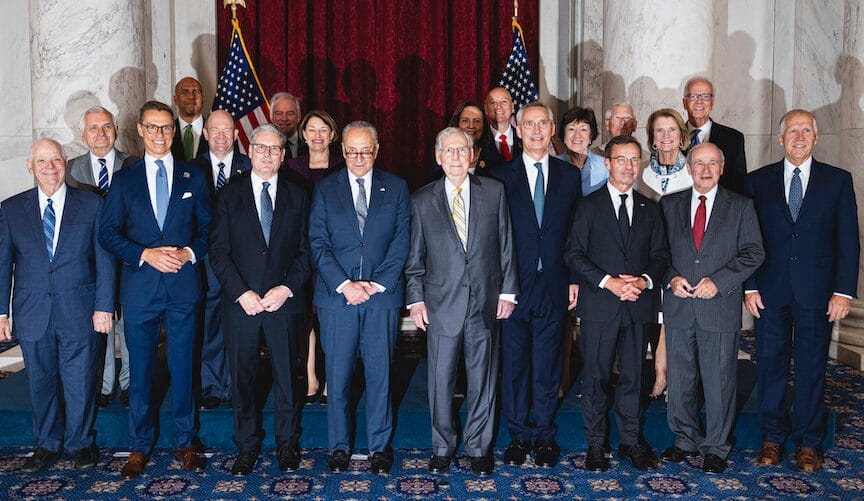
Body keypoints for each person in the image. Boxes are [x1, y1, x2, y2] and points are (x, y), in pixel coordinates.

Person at [99, 100, 211, 479]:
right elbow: (108, 233)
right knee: (142, 370)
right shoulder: (124, 179)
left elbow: (208, 231)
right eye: (153, 127)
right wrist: (144, 253)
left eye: (166, 128)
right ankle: (138, 446)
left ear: (173, 131)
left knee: (183, 367)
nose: (160, 135)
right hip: (140, 289)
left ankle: (185, 441)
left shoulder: (193, 176)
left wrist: (187, 252)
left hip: (183, 288)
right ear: (140, 130)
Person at [745, 109, 860, 472]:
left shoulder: (837, 180)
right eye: (792, 131)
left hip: (818, 294)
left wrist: (843, 291)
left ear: (816, 138)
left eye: (806, 130)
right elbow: (747, 239)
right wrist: (748, 285)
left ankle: (810, 443)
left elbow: (848, 241)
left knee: (812, 369)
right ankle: (772, 439)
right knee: (770, 368)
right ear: (780, 139)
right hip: (769, 292)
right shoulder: (757, 181)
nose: (799, 137)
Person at [406, 127, 518, 476]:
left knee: (483, 378)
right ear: (438, 157)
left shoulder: (494, 192)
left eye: (462, 150)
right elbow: (415, 259)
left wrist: (508, 292)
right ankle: (442, 446)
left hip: (485, 301)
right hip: (441, 304)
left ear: (472, 156)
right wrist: (416, 301)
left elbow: (505, 246)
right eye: (448, 151)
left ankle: (479, 448)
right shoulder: (421, 200)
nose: (456, 157)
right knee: (440, 380)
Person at [1, 138, 115, 472]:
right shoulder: (11, 208)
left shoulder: (92, 204)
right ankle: (47, 444)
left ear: (65, 161)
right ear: (30, 166)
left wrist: (104, 306)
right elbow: (2, 263)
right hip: (32, 311)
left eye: (55, 160)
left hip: (79, 309)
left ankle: (80, 443)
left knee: (80, 379)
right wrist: (2, 312)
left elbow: (105, 261)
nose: (50, 168)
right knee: (41, 380)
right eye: (42, 162)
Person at [209, 124, 312, 476]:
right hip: (243, 305)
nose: (267, 154)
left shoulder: (299, 194)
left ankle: (287, 445)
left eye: (274, 149)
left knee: (288, 377)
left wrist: (286, 289)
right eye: (261, 147)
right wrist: (241, 293)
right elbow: (218, 253)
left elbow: (306, 251)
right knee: (243, 379)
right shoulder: (227, 195)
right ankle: (247, 447)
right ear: (249, 150)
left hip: (285, 303)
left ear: (283, 156)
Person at [309, 121, 410, 474]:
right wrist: (346, 285)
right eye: (351, 151)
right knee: (337, 377)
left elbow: (401, 244)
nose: (358, 157)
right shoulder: (325, 189)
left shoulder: (396, 188)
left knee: (381, 375)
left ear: (376, 150)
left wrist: (376, 284)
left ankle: (379, 448)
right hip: (337, 300)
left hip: (381, 299)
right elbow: (318, 244)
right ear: (343, 151)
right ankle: (339, 447)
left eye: (365, 151)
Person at [565, 135, 670, 472]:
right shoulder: (587, 206)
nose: (628, 166)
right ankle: (596, 445)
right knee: (595, 377)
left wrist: (643, 281)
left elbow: (660, 255)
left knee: (632, 378)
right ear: (607, 163)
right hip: (600, 305)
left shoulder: (650, 208)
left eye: (634, 159)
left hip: (637, 304)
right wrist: (609, 281)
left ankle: (630, 442)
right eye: (621, 159)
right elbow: (574, 253)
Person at [659, 142, 764, 474]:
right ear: (688, 168)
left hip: (718, 306)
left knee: (719, 380)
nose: (705, 169)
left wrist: (720, 281)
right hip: (678, 306)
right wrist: (671, 278)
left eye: (712, 163)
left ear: (722, 167)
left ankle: (717, 447)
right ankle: (685, 439)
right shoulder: (668, 204)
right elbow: (657, 253)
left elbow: (753, 252)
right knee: (680, 380)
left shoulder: (741, 207)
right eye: (699, 163)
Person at [489, 102, 581, 468]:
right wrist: (499, 285)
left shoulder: (569, 175)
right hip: (513, 287)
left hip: (555, 285)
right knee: (514, 365)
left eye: (543, 123)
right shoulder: (499, 176)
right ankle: (517, 436)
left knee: (547, 365)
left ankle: (544, 436)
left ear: (553, 128)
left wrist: (574, 278)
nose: (537, 130)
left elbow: (576, 234)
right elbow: (493, 236)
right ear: (517, 127)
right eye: (530, 124)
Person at [67, 106, 134, 409]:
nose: (101, 133)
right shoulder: (69, 169)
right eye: (93, 128)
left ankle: (130, 383)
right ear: (83, 134)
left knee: (129, 323)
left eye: (106, 126)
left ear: (116, 131)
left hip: (128, 256)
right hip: (89, 262)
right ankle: (104, 385)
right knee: (100, 322)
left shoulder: (133, 165)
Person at [194, 109, 252, 410]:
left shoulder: (251, 165)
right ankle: (213, 387)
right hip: (206, 264)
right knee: (211, 325)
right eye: (214, 130)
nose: (220, 136)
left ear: (236, 134)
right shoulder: (190, 169)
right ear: (205, 134)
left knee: (242, 328)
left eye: (226, 130)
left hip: (245, 262)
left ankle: (239, 386)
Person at [286, 110, 342, 405]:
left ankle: (333, 379)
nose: (318, 135)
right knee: (306, 317)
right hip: (301, 252)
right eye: (312, 130)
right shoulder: (291, 167)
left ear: (333, 136)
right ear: (303, 134)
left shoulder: (343, 167)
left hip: (335, 253)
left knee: (331, 319)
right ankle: (310, 379)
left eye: (324, 130)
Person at [640, 108, 695, 398]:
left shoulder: (692, 171)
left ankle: (668, 375)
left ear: (681, 135)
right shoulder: (641, 174)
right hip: (650, 258)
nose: (666, 136)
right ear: (652, 138)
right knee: (655, 317)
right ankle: (658, 373)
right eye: (659, 131)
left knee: (673, 318)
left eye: (671, 129)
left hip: (682, 259)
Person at [682, 77, 747, 193]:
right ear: (684, 103)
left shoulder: (733, 138)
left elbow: (739, 183)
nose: (699, 101)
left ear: (712, 103)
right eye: (693, 96)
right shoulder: (671, 138)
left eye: (705, 96)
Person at [556, 106, 608, 195]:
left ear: (591, 135)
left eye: (583, 129)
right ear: (564, 135)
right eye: (571, 129)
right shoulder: (553, 165)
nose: (577, 135)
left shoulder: (605, 167)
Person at [480, 87, 521, 169]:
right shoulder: (479, 140)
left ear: (512, 107)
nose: (498, 107)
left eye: (504, 102)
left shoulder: (524, 138)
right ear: (486, 109)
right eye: (493, 102)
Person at [448, 101, 492, 174]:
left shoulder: (493, 158)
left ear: (484, 126)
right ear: (456, 125)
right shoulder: (445, 157)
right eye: (465, 121)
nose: (471, 126)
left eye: (477, 121)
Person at [171, 77, 208, 161]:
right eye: (185, 92)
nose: (191, 96)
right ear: (175, 99)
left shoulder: (219, 132)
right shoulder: (164, 132)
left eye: (196, 91)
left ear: (203, 98)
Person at [270, 92, 306, 159]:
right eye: (278, 114)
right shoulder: (263, 145)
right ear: (271, 117)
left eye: (290, 114)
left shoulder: (310, 144)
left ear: (298, 117)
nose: (284, 119)